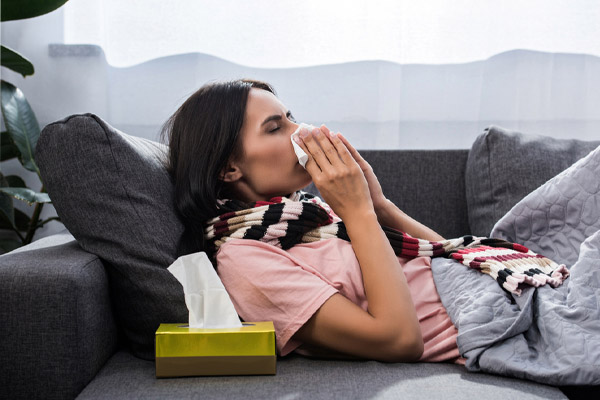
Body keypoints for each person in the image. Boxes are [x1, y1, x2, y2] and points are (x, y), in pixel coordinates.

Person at [161, 78, 464, 363]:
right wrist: (359, 214)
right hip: (479, 322)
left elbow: (456, 258)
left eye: (291, 117)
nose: (304, 132)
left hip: (486, 283)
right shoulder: (243, 260)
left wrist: (380, 206)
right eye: (275, 128)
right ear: (228, 169)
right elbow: (400, 340)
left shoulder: (308, 212)